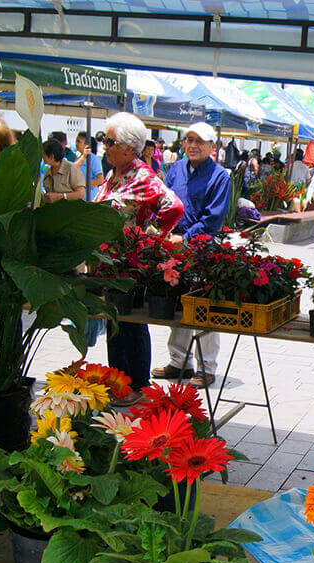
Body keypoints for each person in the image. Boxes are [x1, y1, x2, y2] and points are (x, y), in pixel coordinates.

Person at [95, 113, 184, 405]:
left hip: (129, 264)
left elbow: (173, 206)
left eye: (109, 141)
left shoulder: (141, 175)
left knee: (131, 323)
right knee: (113, 322)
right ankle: (117, 382)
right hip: (108, 263)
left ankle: (137, 383)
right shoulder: (114, 174)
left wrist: (150, 239)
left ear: (129, 148)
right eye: (104, 139)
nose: (104, 146)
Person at [156, 121, 231, 389]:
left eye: (199, 141)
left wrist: (185, 238)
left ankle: (207, 366)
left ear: (212, 146)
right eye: (189, 139)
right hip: (173, 248)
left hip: (202, 249)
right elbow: (164, 202)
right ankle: (179, 362)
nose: (192, 145)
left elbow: (213, 218)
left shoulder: (220, 176)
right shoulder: (175, 169)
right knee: (177, 304)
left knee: (204, 309)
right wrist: (162, 230)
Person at [41, 139, 86, 203]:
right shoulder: (48, 172)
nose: (42, 156)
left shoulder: (71, 169)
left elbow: (80, 194)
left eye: (43, 154)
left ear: (51, 156)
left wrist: (60, 196)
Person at [74, 131, 105, 201]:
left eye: (79, 141)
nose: (76, 144)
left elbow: (100, 180)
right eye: (76, 141)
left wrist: (83, 184)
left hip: (90, 198)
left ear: (86, 144)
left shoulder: (94, 159)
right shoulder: (78, 158)